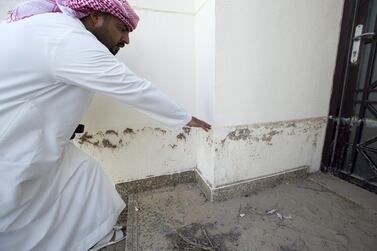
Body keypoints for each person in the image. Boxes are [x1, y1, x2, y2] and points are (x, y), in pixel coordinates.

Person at [0, 0, 211, 250]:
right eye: (122, 28)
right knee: (12, 202)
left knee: (82, 174)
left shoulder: (50, 28)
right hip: (12, 144)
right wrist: (186, 118)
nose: (126, 39)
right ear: (95, 17)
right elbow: (132, 87)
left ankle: (92, 236)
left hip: (27, 133)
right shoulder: (67, 37)